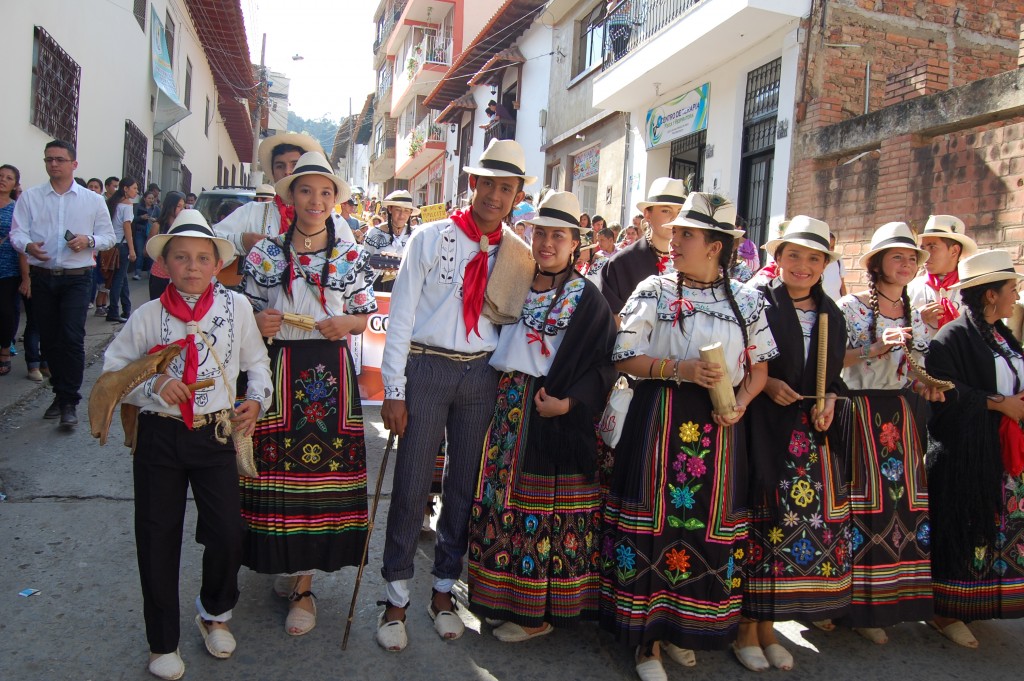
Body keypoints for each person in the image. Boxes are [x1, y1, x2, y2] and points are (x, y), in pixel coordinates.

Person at [600, 193, 777, 681]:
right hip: (660, 421)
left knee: (703, 528)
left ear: (716, 246)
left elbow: (759, 368)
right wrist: (679, 369)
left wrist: (739, 403)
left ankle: (683, 629)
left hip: (721, 433)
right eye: (675, 232)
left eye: (687, 234)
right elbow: (623, 356)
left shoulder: (745, 301)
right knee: (656, 527)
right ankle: (646, 642)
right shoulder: (653, 290)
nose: (674, 240)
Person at [376, 139, 535, 652]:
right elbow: (399, 317)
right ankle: (396, 595)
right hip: (426, 368)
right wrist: (393, 391)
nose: (494, 194)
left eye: (505, 187)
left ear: (515, 195)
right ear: (472, 184)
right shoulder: (428, 237)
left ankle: (444, 590)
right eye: (487, 182)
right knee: (412, 481)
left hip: (480, 375)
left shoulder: (518, 253)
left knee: (465, 483)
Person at [101, 210, 272, 680]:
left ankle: (213, 611)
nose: (192, 267)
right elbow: (112, 372)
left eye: (202, 258)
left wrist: (255, 401)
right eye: (181, 258)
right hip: (160, 437)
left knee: (227, 532)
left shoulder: (236, 309)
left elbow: (257, 363)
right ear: (166, 265)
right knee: (157, 537)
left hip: (216, 433)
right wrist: (152, 387)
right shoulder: (148, 316)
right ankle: (162, 642)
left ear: (217, 264)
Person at [467, 191, 617, 642]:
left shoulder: (587, 298)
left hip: (552, 412)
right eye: (540, 233)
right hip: (509, 405)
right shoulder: (515, 279)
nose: (547, 243)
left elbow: (606, 364)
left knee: (541, 512)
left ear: (576, 243)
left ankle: (538, 615)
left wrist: (570, 403)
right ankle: (501, 598)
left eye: (559, 236)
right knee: (500, 502)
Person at [240, 152, 377, 637]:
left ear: (334, 199)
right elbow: (243, 317)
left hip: (328, 375)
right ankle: (284, 558)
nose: (316, 201)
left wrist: (348, 322)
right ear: (291, 197)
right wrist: (258, 322)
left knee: (319, 478)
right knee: (278, 473)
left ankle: (303, 584)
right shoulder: (264, 255)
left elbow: (365, 315)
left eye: (325, 192)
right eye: (305, 191)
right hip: (276, 370)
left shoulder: (350, 254)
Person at [741, 216, 850, 671]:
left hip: (806, 438)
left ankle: (769, 626)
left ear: (824, 264)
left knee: (784, 534)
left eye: (813, 257)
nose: (802, 265)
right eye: (794, 255)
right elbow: (737, 358)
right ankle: (745, 629)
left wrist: (829, 399)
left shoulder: (833, 315)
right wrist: (767, 386)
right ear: (778, 257)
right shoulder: (755, 302)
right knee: (757, 526)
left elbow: (834, 375)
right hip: (762, 430)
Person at [835, 222, 945, 644]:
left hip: (898, 417)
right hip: (860, 411)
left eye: (912, 257)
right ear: (878, 264)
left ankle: (887, 601)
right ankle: (853, 607)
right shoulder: (852, 307)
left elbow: (912, 371)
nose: (907, 263)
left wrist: (927, 385)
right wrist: (876, 348)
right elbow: (833, 362)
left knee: (899, 508)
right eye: (897, 256)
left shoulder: (916, 314)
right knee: (861, 505)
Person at [925, 249, 1024, 648]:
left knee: (997, 528)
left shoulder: (1003, 335)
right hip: (968, 453)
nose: (1016, 297)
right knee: (966, 524)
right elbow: (945, 393)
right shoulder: (953, 337)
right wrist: (1000, 404)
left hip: (1002, 450)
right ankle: (946, 611)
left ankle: (977, 604)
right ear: (990, 295)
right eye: (1011, 289)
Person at [10, 140, 116, 428]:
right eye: (49, 160)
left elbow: (108, 237)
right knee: (51, 339)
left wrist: (88, 240)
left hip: (77, 278)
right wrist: (29, 245)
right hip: (43, 277)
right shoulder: (30, 198)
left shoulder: (92, 200)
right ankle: (60, 393)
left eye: (59, 159)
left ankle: (70, 400)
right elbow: (16, 234)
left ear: (74, 164)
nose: (53, 164)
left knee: (71, 337)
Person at [214, 131, 353, 286]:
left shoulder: (335, 222)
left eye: (295, 164)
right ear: (272, 173)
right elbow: (206, 242)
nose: (287, 171)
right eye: (280, 166)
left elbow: (351, 270)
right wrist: (241, 242)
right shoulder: (252, 211)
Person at [589, 177, 687, 319]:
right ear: (647, 214)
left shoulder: (691, 261)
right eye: (666, 211)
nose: (674, 219)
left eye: (679, 212)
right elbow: (612, 320)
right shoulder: (621, 263)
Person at [907, 215, 977, 333]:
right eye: (923, 248)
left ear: (954, 251)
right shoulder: (912, 287)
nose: (926, 254)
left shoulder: (973, 289)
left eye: (932, 247)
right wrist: (917, 318)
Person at [362, 189, 419, 293]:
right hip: (378, 287)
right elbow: (364, 261)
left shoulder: (417, 235)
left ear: (411, 213)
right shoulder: (374, 233)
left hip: (407, 287)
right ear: (390, 209)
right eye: (398, 210)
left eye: (406, 211)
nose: (402, 215)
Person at [104, 177, 139, 324]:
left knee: (122, 278)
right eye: (134, 188)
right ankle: (113, 310)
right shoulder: (127, 205)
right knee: (118, 280)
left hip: (113, 245)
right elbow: (127, 228)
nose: (136, 191)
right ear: (125, 188)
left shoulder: (113, 203)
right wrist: (132, 249)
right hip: (122, 245)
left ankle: (126, 308)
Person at [0, 164, 21, 376]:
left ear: (15, 183)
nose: (3, 180)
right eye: (0, 176)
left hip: (8, 266)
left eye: (8, 177)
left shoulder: (16, 208)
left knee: (6, 310)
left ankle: (5, 350)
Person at [148, 192, 186, 300]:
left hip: (178, 275)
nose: (181, 210)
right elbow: (148, 250)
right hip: (159, 274)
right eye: (179, 206)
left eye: (183, 207)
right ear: (170, 207)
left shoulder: (184, 227)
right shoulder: (157, 226)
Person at [132, 191, 158, 279]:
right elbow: (132, 219)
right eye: (149, 198)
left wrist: (155, 220)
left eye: (152, 198)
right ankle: (137, 273)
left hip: (151, 232)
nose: (151, 200)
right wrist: (141, 217)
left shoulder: (156, 208)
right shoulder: (138, 207)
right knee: (140, 252)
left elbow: (161, 219)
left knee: (150, 252)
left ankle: (150, 272)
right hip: (140, 232)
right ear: (144, 199)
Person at [822, 232, 848, 300]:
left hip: (836, 307)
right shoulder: (815, 263)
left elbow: (842, 286)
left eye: (832, 247)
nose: (830, 250)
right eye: (828, 247)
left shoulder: (838, 260)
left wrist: (845, 306)